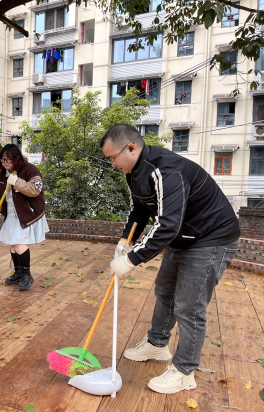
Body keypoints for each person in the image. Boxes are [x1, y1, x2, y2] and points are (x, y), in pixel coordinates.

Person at [102, 124, 239, 394]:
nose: (112, 164)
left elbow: (167, 225)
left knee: (189, 306)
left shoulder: (166, 171)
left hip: (211, 238)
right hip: (183, 236)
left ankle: (185, 371)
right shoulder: (134, 173)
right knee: (165, 291)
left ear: (131, 148)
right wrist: (125, 240)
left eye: (112, 158)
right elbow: (140, 210)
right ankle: (157, 344)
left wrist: (131, 260)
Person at [0, 144, 49, 291]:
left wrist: (16, 181)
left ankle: (27, 275)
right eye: (3, 159)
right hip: (11, 214)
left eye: (8, 160)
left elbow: (35, 190)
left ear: (16, 158)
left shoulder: (30, 170)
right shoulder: (2, 173)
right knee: (13, 243)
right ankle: (19, 273)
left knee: (18, 242)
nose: (5, 163)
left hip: (27, 213)